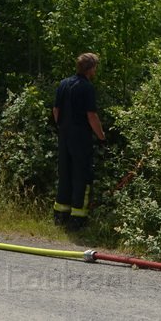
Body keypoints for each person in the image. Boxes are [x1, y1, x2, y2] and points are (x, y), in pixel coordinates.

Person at [52, 52, 106, 231]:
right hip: (81, 137)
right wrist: (101, 136)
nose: (95, 70)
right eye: (95, 67)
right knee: (81, 175)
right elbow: (91, 116)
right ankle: (77, 218)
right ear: (90, 68)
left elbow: (56, 110)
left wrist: (62, 128)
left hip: (64, 136)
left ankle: (60, 214)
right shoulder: (87, 87)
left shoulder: (63, 84)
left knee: (65, 173)